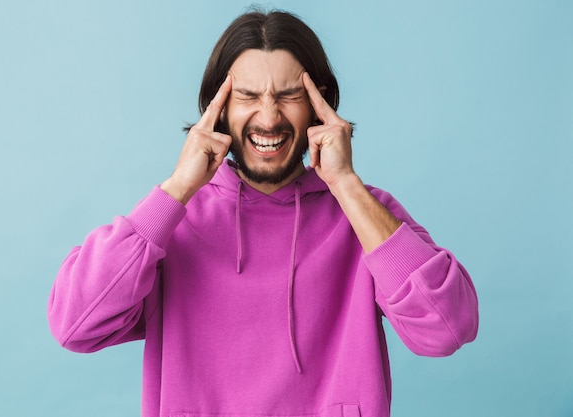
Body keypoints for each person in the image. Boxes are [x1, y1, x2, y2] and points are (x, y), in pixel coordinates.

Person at [48, 9, 479, 417]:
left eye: (290, 95)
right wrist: (178, 189)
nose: (269, 118)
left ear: (319, 104)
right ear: (218, 109)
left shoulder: (367, 216)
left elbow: (447, 330)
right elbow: (75, 324)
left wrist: (346, 184)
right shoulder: (171, 224)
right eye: (247, 96)